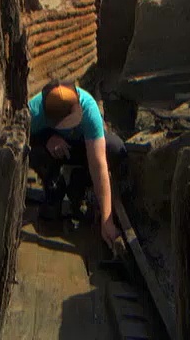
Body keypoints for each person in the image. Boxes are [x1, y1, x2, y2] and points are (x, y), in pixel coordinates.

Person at [27, 79, 126, 250]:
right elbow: (18, 138)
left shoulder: (89, 109)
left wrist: (107, 220)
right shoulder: (34, 111)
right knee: (33, 152)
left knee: (115, 149)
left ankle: (80, 180)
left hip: (82, 148)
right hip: (53, 151)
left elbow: (99, 164)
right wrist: (45, 139)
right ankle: (54, 187)